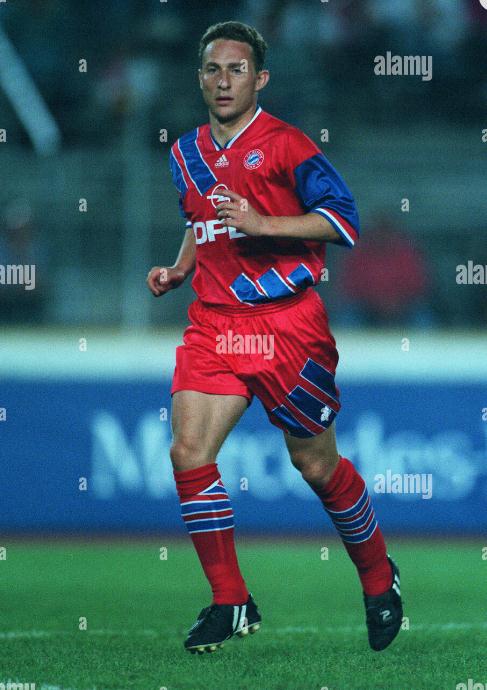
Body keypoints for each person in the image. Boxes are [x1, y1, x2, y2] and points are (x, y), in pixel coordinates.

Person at [147, 21, 403, 655]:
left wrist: (264, 223)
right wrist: (180, 268)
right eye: (213, 69)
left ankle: (379, 576)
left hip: (287, 325)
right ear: (199, 78)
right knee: (188, 450)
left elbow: (343, 221)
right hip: (214, 324)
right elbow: (201, 222)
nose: (224, 81)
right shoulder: (185, 153)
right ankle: (231, 601)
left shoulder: (287, 145)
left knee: (315, 464)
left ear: (259, 79)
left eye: (237, 70)